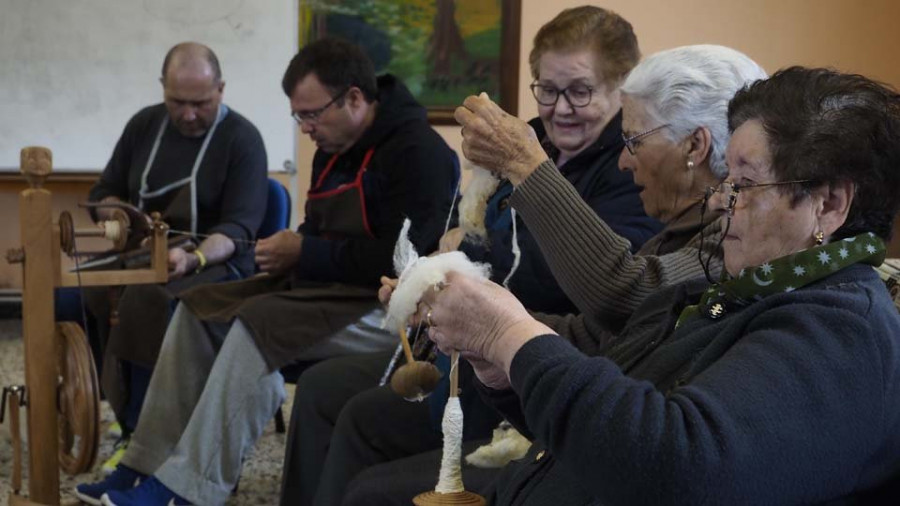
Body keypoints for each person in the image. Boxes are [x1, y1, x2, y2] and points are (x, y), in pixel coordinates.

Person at [417, 66, 900, 504]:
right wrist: (504, 369)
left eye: (745, 183)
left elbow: (676, 466)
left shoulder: (841, 334)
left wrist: (509, 337)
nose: (717, 202)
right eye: (726, 177)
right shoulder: (732, 295)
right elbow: (609, 424)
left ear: (830, 204)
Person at [339, 44, 768, 505]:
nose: (625, 160)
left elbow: (627, 293)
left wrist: (525, 164)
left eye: (634, 141)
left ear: (695, 146)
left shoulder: (734, 246)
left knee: (372, 487)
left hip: (606, 456)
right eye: (548, 90)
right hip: (578, 426)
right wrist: (468, 318)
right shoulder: (683, 232)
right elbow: (595, 330)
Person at [279, 7, 665, 505]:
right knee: (321, 386)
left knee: (361, 427)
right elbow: (485, 247)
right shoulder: (528, 141)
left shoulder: (625, 167)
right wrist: (431, 280)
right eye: (546, 89)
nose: (560, 107)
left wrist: (469, 254)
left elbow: (587, 278)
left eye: (580, 91)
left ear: (621, 89)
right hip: (468, 347)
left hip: (531, 371)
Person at [74, 37, 457, 506]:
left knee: (257, 325)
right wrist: (291, 248)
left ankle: (190, 489)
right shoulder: (334, 146)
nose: (306, 128)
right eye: (299, 116)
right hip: (329, 293)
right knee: (198, 308)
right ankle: (143, 464)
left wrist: (305, 251)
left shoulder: (421, 154)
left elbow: (409, 265)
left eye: (311, 115)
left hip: (394, 314)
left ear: (355, 98)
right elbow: (318, 231)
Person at [81, 41, 268, 461]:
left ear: (221, 89)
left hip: (216, 263)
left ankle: (143, 430)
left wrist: (193, 257)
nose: (187, 114)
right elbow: (103, 192)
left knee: (148, 296)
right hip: (145, 251)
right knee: (89, 285)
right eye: (176, 101)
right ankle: (119, 397)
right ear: (162, 88)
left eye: (200, 103)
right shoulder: (144, 125)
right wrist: (118, 215)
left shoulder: (243, 140)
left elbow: (238, 229)